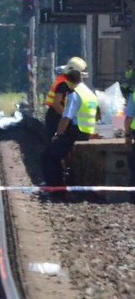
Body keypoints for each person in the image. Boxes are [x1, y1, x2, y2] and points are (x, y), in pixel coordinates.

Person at [41, 60, 98, 198]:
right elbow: (96, 116)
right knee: (60, 154)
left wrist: (58, 135)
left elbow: (66, 117)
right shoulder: (90, 93)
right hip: (85, 133)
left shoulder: (74, 94)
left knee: (47, 155)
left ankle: (56, 191)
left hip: (74, 133)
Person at [44, 57, 84, 138]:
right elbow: (56, 104)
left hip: (56, 115)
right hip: (55, 117)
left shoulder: (64, 80)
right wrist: (67, 118)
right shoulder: (63, 84)